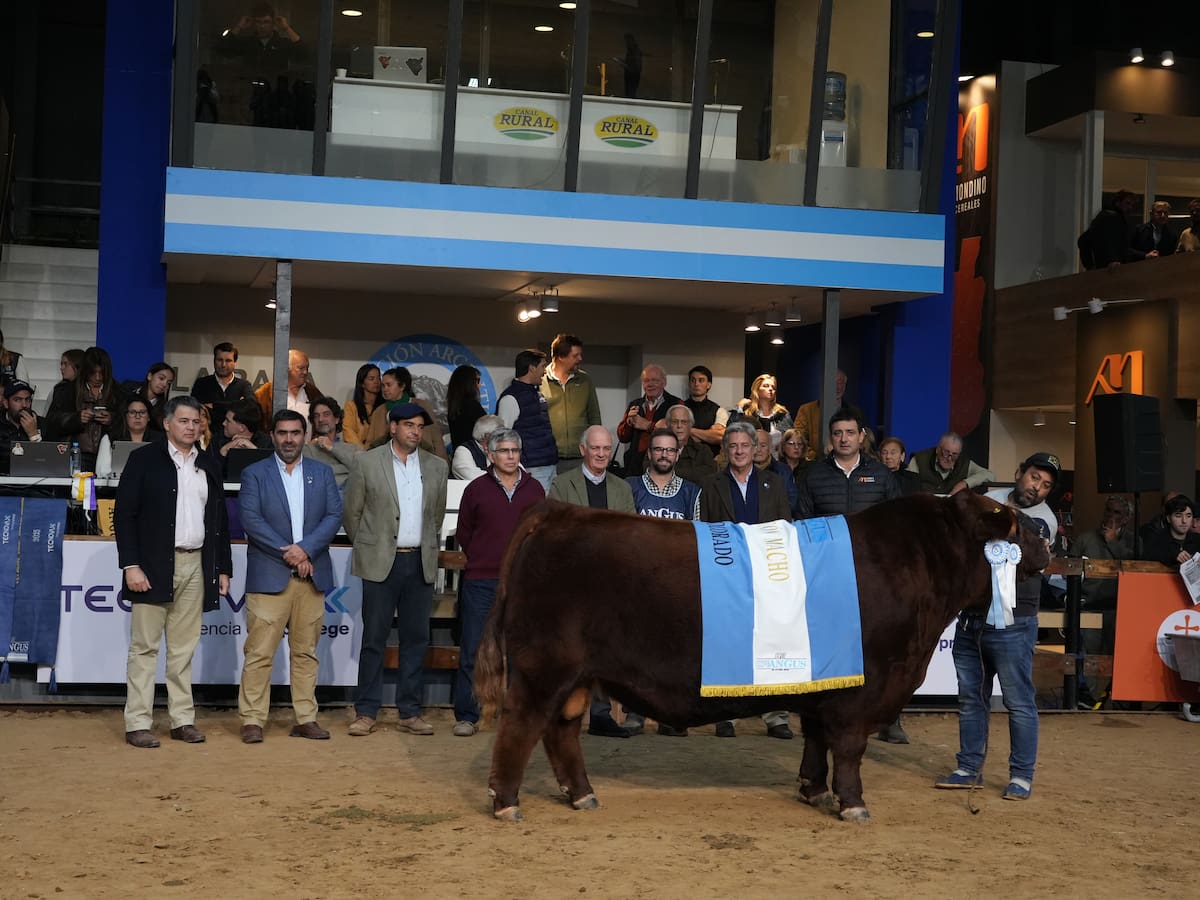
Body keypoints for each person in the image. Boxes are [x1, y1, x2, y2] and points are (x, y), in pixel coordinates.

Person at [936, 451, 1059, 800]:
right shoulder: (988, 504)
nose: (1038, 487)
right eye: (1035, 477)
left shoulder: (1043, 521)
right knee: (971, 698)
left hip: (1014, 621)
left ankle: (1021, 775)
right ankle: (968, 767)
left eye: (1046, 485)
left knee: (1018, 700)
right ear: (1019, 473)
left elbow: (1025, 536)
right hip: (972, 616)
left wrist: (980, 509)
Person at [115, 397, 232, 749]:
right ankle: (138, 722)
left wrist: (223, 567)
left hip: (196, 564)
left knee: (183, 650)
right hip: (150, 565)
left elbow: (219, 521)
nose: (191, 427)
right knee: (144, 648)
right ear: (166, 424)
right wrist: (130, 565)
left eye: (196, 421)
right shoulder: (143, 460)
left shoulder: (208, 463)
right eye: (183, 421)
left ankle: (182, 720)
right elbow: (124, 516)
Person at [795, 408, 902, 742]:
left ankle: (888, 717)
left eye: (850, 433)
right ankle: (824, 715)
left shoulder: (882, 476)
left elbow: (897, 526)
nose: (844, 438)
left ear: (861, 436)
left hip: (874, 579)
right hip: (826, 578)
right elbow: (802, 523)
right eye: (838, 433)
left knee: (877, 649)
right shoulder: (812, 475)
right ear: (831, 438)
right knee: (829, 650)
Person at [237, 409, 343, 744]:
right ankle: (252, 720)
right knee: (259, 653)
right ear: (272, 435)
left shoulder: (322, 473)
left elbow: (334, 515)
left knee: (306, 653)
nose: (288, 439)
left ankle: (305, 718)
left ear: (304, 435)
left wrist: (306, 549)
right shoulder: (255, 473)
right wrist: (292, 553)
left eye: (295, 433)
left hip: (311, 576)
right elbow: (251, 519)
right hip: (270, 574)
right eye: (282, 433)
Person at [342, 402, 448, 737]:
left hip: (418, 561)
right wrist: (372, 546)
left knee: (415, 639)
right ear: (393, 427)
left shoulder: (435, 467)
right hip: (380, 563)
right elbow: (352, 514)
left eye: (419, 426)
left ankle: (409, 711)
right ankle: (366, 711)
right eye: (409, 426)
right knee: (374, 638)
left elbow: (436, 516)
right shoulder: (368, 463)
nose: (416, 432)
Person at [698, 421, 793, 740]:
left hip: (768, 574)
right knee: (730, 643)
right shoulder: (711, 485)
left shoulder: (775, 483)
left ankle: (775, 715)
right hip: (727, 575)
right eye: (732, 446)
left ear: (756, 449)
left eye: (744, 446)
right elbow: (705, 531)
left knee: (772, 642)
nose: (738, 451)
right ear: (725, 451)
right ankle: (729, 713)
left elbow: (785, 529)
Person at [452, 429, 545, 737]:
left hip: (521, 583)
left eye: (515, 450)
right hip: (480, 580)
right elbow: (464, 533)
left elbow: (540, 535)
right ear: (490, 455)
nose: (510, 456)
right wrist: (483, 557)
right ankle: (467, 714)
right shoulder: (476, 490)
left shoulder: (535, 491)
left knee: (520, 651)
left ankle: (517, 713)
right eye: (503, 451)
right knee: (474, 648)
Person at [549, 425, 636, 738]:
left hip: (610, 581)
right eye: (595, 448)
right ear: (583, 449)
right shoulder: (561, 484)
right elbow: (557, 533)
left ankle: (601, 715)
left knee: (604, 650)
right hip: (573, 580)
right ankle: (562, 712)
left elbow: (628, 534)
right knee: (569, 649)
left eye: (606, 449)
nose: (601, 454)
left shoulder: (622, 488)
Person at [623, 427, 701, 736]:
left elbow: (699, 538)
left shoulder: (693, 492)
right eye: (658, 450)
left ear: (678, 454)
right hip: (639, 584)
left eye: (670, 450)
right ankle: (635, 713)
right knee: (637, 652)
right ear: (649, 453)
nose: (664, 455)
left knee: (676, 654)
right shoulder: (630, 487)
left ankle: (672, 715)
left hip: (677, 585)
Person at [1068, 495, 1135, 708]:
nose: (1110, 516)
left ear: (1126, 518)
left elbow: (1132, 566)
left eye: (1117, 513)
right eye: (1108, 510)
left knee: (1121, 656)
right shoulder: (1085, 539)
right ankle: (1089, 700)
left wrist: (1112, 542)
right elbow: (1068, 569)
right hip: (1090, 608)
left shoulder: (1134, 541)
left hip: (1121, 609)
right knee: (1091, 654)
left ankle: (1122, 703)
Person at [46, 346, 123, 471]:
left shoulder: (119, 392)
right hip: (76, 455)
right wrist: (76, 418)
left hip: (109, 455)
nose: (97, 378)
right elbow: (51, 421)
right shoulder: (66, 391)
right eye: (93, 372)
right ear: (85, 371)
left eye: (101, 373)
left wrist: (112, 419)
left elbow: (127, 420)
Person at [497, 349, 557, 491]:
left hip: (549, 465)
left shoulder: (537, 394)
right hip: (532, 469)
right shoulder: (510, 398)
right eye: (543, 366)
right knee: (536, 511)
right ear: (532, 368)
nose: (545, 372)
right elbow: (503, 436)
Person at [542, 333, 602, 472]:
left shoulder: (585, 380)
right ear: (561, 357)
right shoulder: (540, 380)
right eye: (575, 356)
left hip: (579, 458)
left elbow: (595, 417)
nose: (580, 359)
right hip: (548, 459)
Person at [616, 364, 680, 476]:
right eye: (646, 381)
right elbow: (622, 437)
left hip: (662, 465)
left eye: (655, 380)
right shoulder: (635, 404)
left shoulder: (676, 404)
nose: (650, 384)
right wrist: (628, 423)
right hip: (634, 467)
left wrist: (648, 426)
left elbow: (679, 434)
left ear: (664, 382)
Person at [381, 366, 448, 462]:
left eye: (388, 385)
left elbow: (436, 438)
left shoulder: (422, 406)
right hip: (388, 461)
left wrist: (442, 463)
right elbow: (372, 442)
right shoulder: (379, 411)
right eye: (383, 386)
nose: (385, 389)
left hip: (423, 459)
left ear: (402, 386)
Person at [906, 432, 995, 495]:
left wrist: (965, 483)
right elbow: (908, 486)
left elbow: (990, 475)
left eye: (954, 454)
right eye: (946, 452)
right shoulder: (919, 459)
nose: (949, 458)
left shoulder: (964, 463)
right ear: (938, 449)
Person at [302, 396, 361, 491]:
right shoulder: (307, 450)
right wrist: (346, 469)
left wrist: (332, 448)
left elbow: (365, 469)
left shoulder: (354, 448)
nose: (320, 419)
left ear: (337, 419)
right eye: (316, 416)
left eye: (326, 414)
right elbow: (313, 476)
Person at [95, 397, 164, 477]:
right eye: (132, 412)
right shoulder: (110, 438)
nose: (137, 416)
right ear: (126, 416)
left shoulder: (160, 439)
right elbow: (101, 472)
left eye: (142, 412)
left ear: (148, 417)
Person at [190, 342, 257, 424]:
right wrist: (238, 405)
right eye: (219, 360)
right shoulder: (201, 384)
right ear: (214, 361)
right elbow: (194, 410)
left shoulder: (244, 385)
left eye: (228, 360)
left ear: (235, 363)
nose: (223, 365)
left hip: (235, 436)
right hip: (208, 435)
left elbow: (252, 406)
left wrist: (215, 406)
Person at [730, 374, 792, 457]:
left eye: (773, 387)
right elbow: (731, 432)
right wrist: (739, 408)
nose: (770, 389)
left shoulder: (782, 414)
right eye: (766, 386)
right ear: (757, 390)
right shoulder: (748, 413)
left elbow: (791, 439)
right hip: (751, 459)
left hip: (778, 461)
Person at [255, 349, 322, 424]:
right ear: (287, 368)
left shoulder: (313, 392)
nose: (305, 372)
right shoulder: (264, 394)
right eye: (301, 368)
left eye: (307, 368)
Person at [794, 369, 847, 460]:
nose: (837, 387)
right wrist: (815, 458)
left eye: (840, 382)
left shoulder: (853, 412)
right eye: (833, 383)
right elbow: (798, 438)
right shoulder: (806, 410)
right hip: (814, 465)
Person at [1078, 189, 1135, 269]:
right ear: (1118, 203)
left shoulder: (1110, 216)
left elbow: (1083, 240)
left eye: (1132, 205)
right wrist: (1110, 260)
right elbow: (1084, 240)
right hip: (1109, 269)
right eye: (1127, 203)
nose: (1130, 208)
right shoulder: (1111, 217)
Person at [1139, 495, 1200, 568]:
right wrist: (1173, 556)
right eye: (1178, 515)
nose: (1184, 521)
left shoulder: (1197, 540)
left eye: (1188, 516)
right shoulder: (1155, 540)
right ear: (1168, 518)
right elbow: (1146, 562)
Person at [0, 381, 47, 474]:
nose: (24, 405)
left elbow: (48, 463)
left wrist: (33, 435)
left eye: (28, 400)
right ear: (6, 403)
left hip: (34, 484)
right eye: (17, 400)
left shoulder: (43, 424)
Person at [662, 403, 716, 483]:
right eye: (674, 421)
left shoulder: (703, 451)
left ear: (690, 425)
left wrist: (669, 473)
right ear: (668, 425)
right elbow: (650, 471)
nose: (679, 426)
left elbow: (710, 475)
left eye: (684, 422)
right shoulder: (657, 449)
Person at [343, 363, 388, 449]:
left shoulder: (384, 406)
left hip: (380, 453)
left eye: (378, 378)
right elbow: (348, 432)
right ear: (362, 383)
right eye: (371, 379)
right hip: (358, 453)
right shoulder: (351, 406)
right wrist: (364, 452)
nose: (376, 382)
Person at [683, 365, 728, 448]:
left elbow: (719, 437)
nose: (696, 384)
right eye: (693, 380)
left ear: (709, 385)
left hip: (711, 458)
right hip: (682, 458)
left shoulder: (719, 410)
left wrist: (689, 431)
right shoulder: (679, 408)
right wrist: (707, 434)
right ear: (689, 384)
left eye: (701, 380)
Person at [46, 348, 85, 437]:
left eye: (66, 364)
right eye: (61, 364)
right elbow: (49, 419)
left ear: (77, 365)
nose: (61, 368)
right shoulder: (59, 389)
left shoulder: (87, 390)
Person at [446, 365, 486, 452]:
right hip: (473, 455)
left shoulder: (455, 406)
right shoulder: (472, 406)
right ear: (469, 383)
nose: (480, 385)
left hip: (459, 453)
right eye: (478, 380)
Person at [452, 414, 503, 482]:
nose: (504, 438)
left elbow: (518, 472)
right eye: (500, 435)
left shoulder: (501, 449)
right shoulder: (463, 451)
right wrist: (505, 477)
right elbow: (474, 477)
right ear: (487, 436)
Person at [219, 400, 271, 464]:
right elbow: (210, 470)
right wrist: (224, 450)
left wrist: (255, 451)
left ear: (242, 428)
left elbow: (272, 469)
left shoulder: (267, 443)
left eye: (228, 421)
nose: (223, 423)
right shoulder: (218, 439)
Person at [127, 362, 175, 431]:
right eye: (161, 378)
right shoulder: (129, 391)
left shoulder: (165, 409)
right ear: (150, 376)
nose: (164, 384)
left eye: (168, 383)